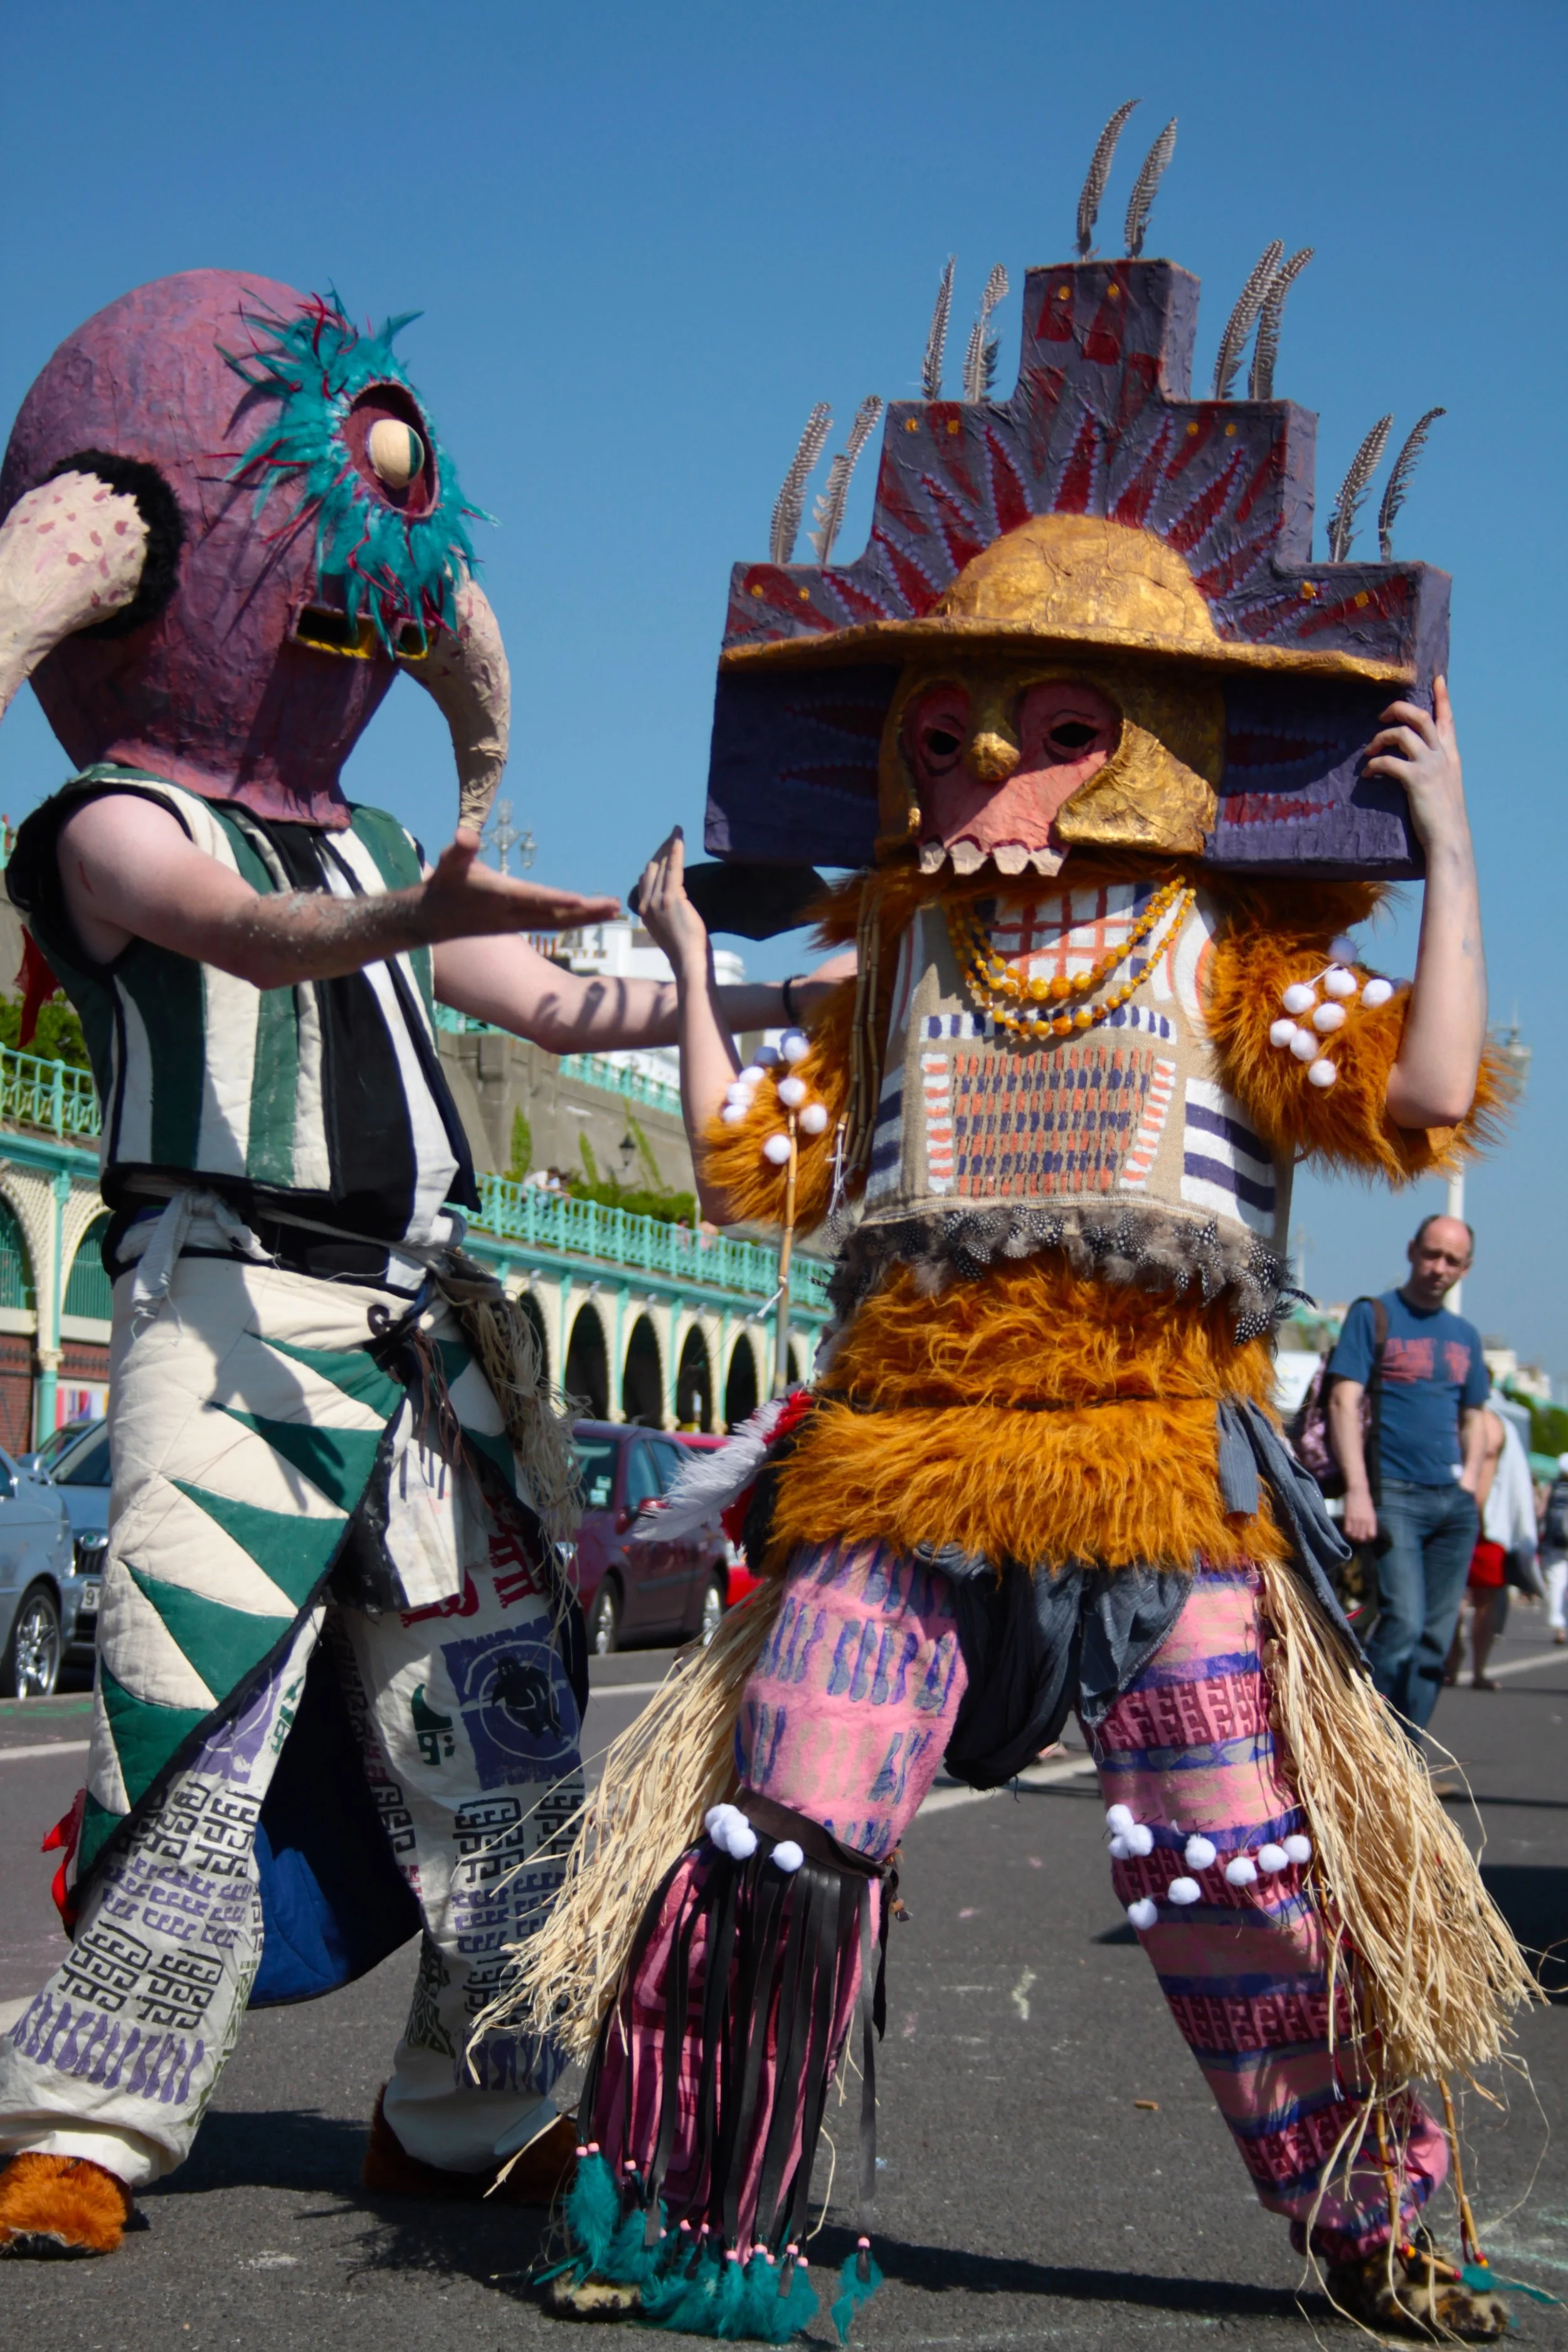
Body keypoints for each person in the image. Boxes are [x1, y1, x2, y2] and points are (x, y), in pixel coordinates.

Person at [513, 186, 1531, 2345]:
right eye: (958, 724)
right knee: (784, 1830)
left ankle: (1374, 2222)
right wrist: (699, 969)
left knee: (1231, 1871)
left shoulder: (1237, 957)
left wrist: (1450, 862)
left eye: (1054, 724)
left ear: (1152, 736)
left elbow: (1435, 1089)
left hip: (1160, 1483)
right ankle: (690, 2207)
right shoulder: (889, 967)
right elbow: (742, 1159)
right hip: (901, 1473)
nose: (988, 764)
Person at [0, 270, 824, 2262]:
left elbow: (549, 998)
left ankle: (472, 2107)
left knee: (504, 1726)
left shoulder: (370, 847)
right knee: (189, 1707)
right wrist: (408, 904)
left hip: (432, 1330)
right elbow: (245, 934)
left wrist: (757, 983)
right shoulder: (107, 824)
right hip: (238, 1314)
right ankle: (87, 2114)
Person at [1325, 1218, 1489, 1729]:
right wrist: (1357, 1491)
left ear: (1466, 1269)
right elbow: (1342, 1400)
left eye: (1452, 1261)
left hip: (1451, 1502)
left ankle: (1409, 1758)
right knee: (1402, 1626)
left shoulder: (1465, 1335)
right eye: (1432, 1254)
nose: (1438, 1268)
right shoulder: (1374, 1315)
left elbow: (1475, 1419)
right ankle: (1369, 1748)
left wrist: (1470, 1493)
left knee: (1435, 1642)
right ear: (1412, 1249)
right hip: (1394, 1494)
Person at [1446, 1405, 1537, 1688]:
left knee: (1484, 1601)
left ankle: (1478, 1669)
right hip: (1453, 1521)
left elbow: (1514, 1480)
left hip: (1487, 1528)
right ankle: (1454, 1656)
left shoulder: (1496, 1425)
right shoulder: (1451, 1416)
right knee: (1451, 1599)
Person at [1540, 1452, 1568, 1646]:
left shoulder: (1552, 1486)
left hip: (1554, 1543)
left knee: (1556, 1583)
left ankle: (1559, 1626)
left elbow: (1540, 1511)